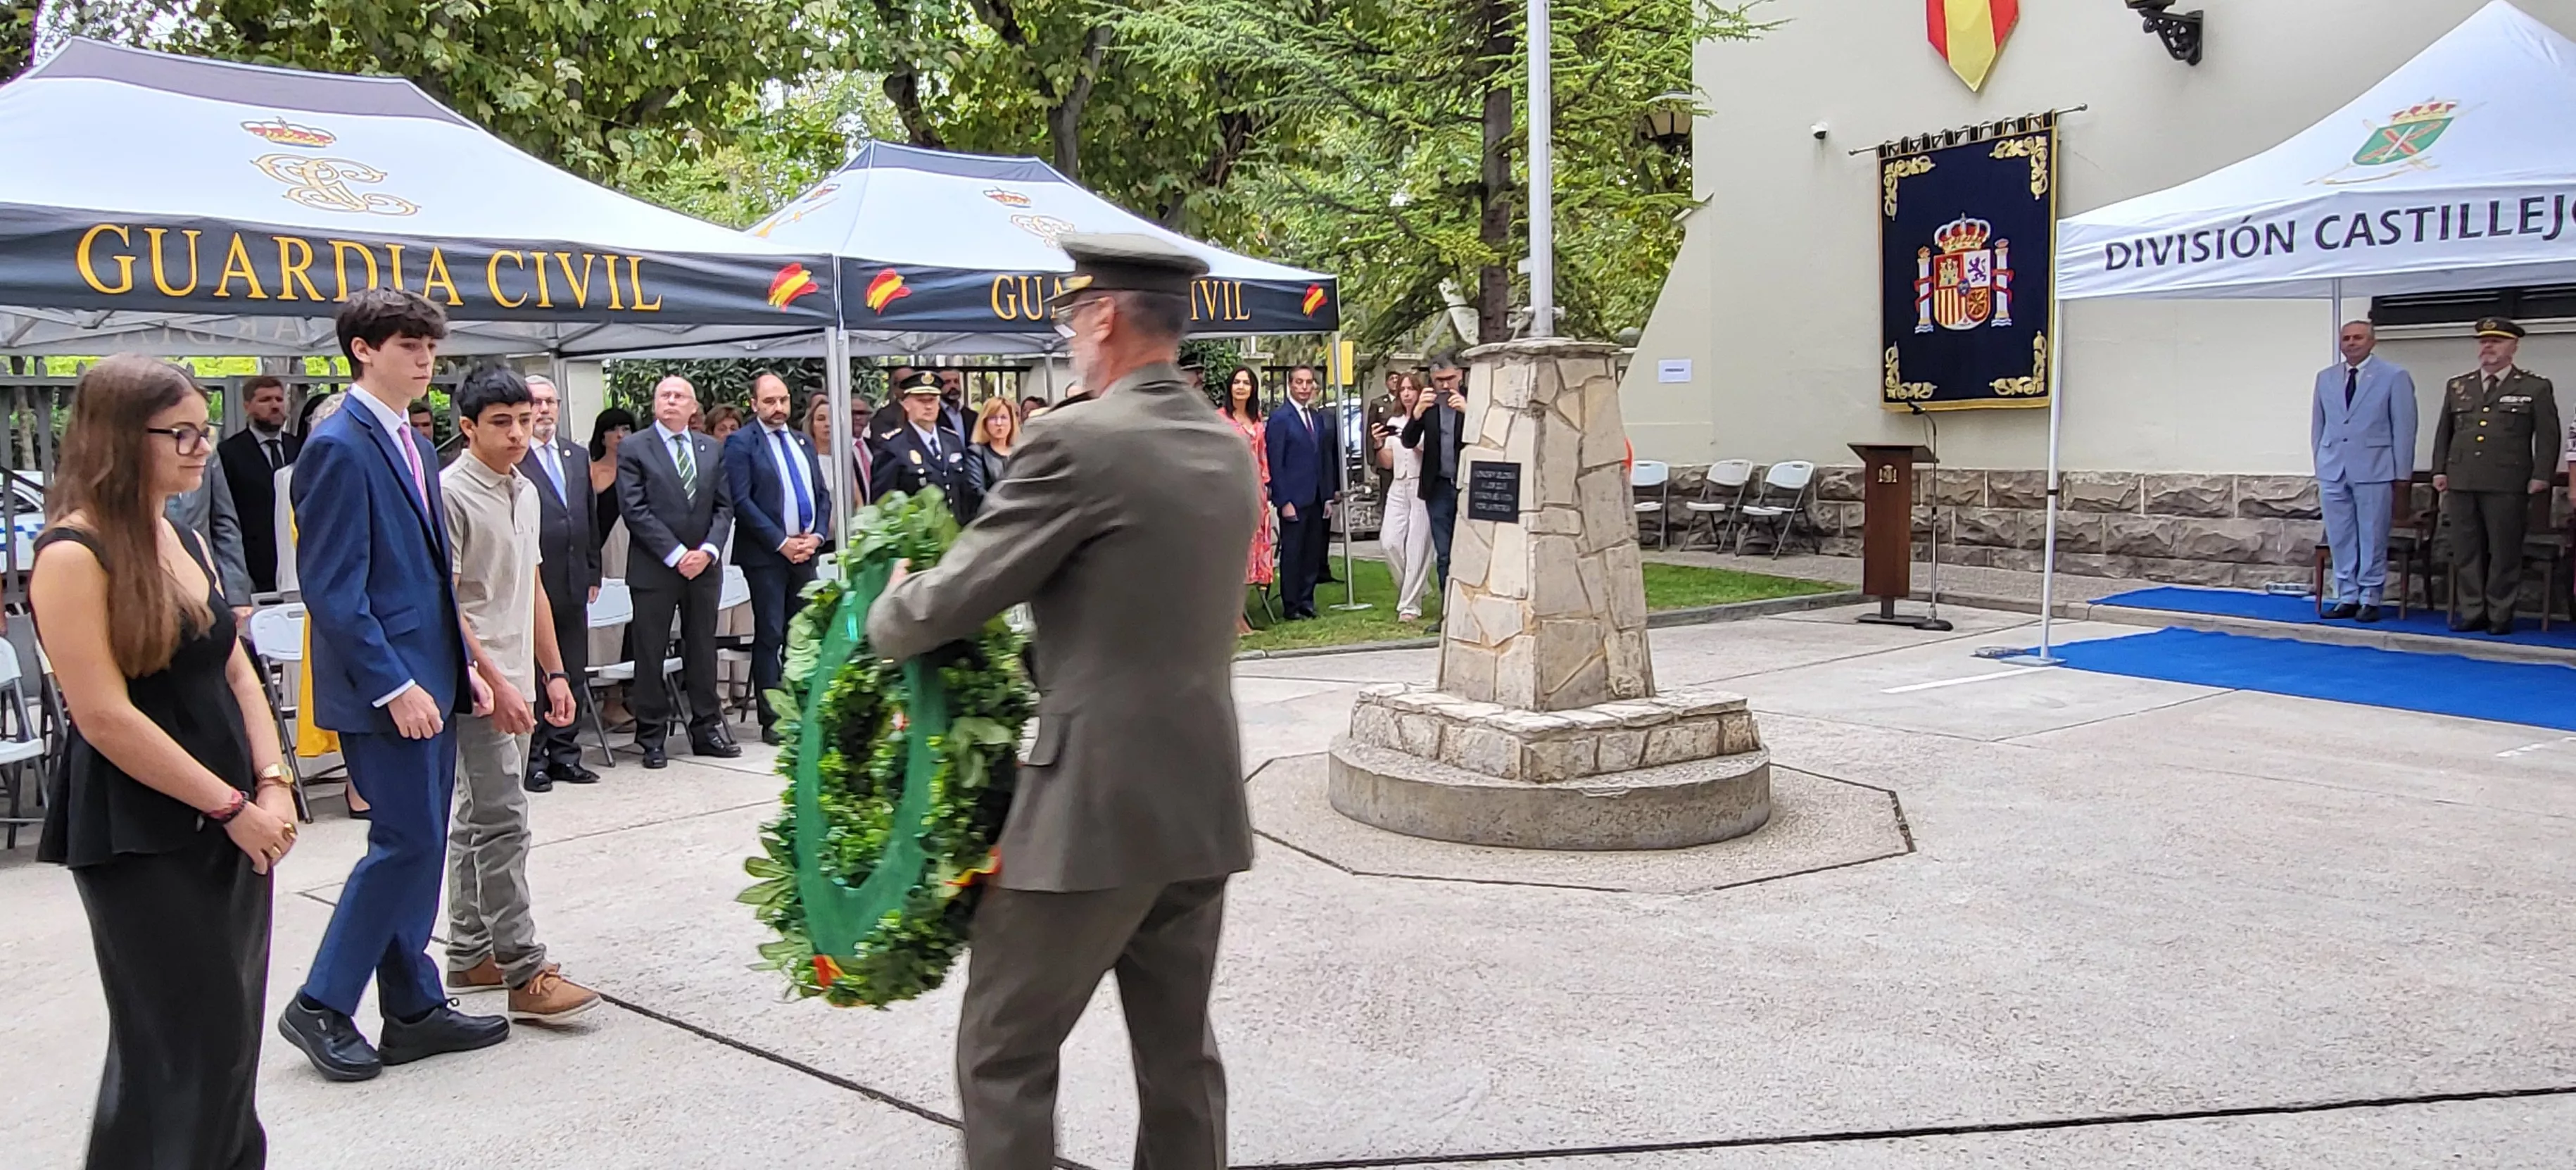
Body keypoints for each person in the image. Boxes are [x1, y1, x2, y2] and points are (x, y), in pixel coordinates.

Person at [869, 232, 1257, 1170]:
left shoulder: (1078, 440)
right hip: (1198, 801)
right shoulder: (1224, 447)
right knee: (1179, 1057)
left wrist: (889, 607)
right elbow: (1132, 614)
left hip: (1093, 807)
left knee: (1003, 1048)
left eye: (1073, 322)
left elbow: (952, 599)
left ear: (1106, 317)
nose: (1071, 343)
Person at [32, 356, 296, 1169]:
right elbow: (105, 718)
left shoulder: (179, 534)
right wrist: (230, 807)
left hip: (234, 820)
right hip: (145, 832)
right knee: (178, 1050)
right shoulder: (73, 554)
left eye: (202, 431)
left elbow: (236, 670)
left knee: (229, 1047)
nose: (200, 449)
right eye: (179, 433)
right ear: (118, 437)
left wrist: (275, 781)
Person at [282, 288, 508, 1083]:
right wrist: (393, 686)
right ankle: (320, 1002)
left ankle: (412, 1007)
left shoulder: (408, 439)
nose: (425, 359)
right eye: (409, 345)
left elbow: (430, 580)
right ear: (363, 351)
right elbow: (335, 589)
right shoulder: (339, 444)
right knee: (403, 843)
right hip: (387, 688)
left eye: (430, 346)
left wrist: (461, 671)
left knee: (422, 843)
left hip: (430, 676)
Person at [438, 366, 599, 1021]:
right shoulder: (450, 493)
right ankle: (522, 970)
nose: (516, 434)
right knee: (504, 820)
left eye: (524, 420)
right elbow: (447, 602)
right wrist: (495, 682)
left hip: (519, 675)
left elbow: (530, 588)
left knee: (477, 818)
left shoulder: (525, 490)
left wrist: (555, 673)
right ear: (468, 427)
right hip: (479, 683)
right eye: (500, 422)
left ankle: (471, 950)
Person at [617, 375, 738, 767]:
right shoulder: (635, 447)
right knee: (650, 652)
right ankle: (652, 734)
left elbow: (724, 507)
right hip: (656, 568)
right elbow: (634, 509)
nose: (671, 401)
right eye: (664, 396)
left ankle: (706, 728)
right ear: (655, 405)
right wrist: (675, 554)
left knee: (702, 648)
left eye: (679, 396)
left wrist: (706, 551)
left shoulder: (711, 449)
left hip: (704, 567)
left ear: (693, 407)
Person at [2432, 317, 2561, 635]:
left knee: (2504, 550)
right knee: (2466, 550)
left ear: (2514, 346)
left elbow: (2548, 435)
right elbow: (2444, 432)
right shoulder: (2459, 385)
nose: (2488, 347)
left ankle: (2500, 613)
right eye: (2484, 341)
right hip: (2462, 480)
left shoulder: (2534, 387)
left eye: (2497, 341)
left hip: (2507, 482)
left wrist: (2541, 474)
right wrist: (2439, 470)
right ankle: (2473, 610)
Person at [724, 370, 831, 748]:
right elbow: (742, 501)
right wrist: (780, 542)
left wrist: (816, 536)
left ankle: (804, 708)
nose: (778, 407)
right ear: (754, 404)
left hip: (805, 552)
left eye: (783, 400)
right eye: (769, 401)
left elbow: (822, 495)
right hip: (766, 556)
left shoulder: (802, 442)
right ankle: (773, 718)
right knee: (770, 633)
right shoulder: (741, 443)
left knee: (804, 634)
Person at [520, 374, 602, 791]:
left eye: (551, 402)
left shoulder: (574, 454)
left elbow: (587, 515)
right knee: (538, 673)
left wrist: (593, 570)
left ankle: (566, 754)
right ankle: (533, 759)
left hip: (573, 582)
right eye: (537, 402)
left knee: (572, 670)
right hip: (535, 581)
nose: (545, 410)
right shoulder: (516, 456)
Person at [2311, 321, 2418, 624]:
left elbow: (2404, 427)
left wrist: (2402, 473)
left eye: (2358, 338)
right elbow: (2319, 424)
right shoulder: (2326, 378)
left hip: (2374, 466)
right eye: (2346, 339)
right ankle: (2346, 594)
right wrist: (2320, 461)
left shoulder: (2394, 376)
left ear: (2372, 341)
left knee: (2372, 534)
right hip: (2334, 467)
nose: (2351, 343)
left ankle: (2370, 596)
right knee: (2340, 535)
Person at [217, 373, 300, 594]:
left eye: (279, 400)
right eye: (265, 400)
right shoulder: (229, 453)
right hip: (253, 563)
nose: (275, 406)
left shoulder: (300, 448)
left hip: (296, 559)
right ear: (247, 406)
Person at [1263, 364, 1335, 620]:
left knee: (1312, 551)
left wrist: (1328, 495)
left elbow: (1324, 459)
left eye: (1309, 383)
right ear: (1290, 385)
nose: (1304, 388)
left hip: (1316, 496)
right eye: (1299, 383)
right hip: (1294, 498)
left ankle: (1307, 601)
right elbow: (1275, 461)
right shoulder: (1281, 418)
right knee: (1293, 553)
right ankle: (1291, 605)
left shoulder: (1316, 417)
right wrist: (1283, 500)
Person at [871, 370, 984, 523]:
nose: (928, 406)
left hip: (956, 535)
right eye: (921, 401)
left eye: (932, 400)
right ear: (906, 404)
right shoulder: (893, 446)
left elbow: (963, 492)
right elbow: (883, 503)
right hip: (918, 538)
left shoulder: (952, 440)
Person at [1402, 356, 1471, 595]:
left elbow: (1491, 434)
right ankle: (1447, 612)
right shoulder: (1429, 404)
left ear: (1460, 374)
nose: (1445, 385)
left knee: (1471, 549)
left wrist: (1469, 412)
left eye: (1450, 379)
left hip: (1469, 486)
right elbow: (1408, 440)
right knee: (1444, 553)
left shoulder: (1475, 398)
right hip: (1438, 487)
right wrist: (1418, 413)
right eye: (1439, 380)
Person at [165, 453, 254, 624]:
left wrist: (236, 595)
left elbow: (224, 524)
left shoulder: (207, 456)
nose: (203, 445)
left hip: (204, 579)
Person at [1218, 367, 1275, 632]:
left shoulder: (1257, 419)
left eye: (1246, 383)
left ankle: (1243, 612)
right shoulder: (1220, 420)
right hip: (1231, 491)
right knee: (1235, 554)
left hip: (1256, 492)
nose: (1241, 387)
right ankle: (1234, 617)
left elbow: (1263, 458)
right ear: (1230, 387)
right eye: (1237, 382)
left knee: (1253, 553)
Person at [1379, 375, 1435, 621]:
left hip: (1421, 484)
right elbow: (1387, 461)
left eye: (1412, 388)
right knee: (1389, 542)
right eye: (1402, 389)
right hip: (1399, 484)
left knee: (1417, 545)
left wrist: (1411, 432)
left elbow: (1423, 449)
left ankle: (1410, 606)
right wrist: (1379, 442)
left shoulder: (1428, 418)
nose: (1407, 393)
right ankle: (1417, 586)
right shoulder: (1394, 420)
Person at [586, 407, 636, 550]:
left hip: (630, 547)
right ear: (602, 437)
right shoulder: (586, 470)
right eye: (613, 429)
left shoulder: (641, 472)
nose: (620, 435)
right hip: (594, 547)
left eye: (626, 429)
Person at [971, 396, 1020, 489]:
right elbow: (977, 490)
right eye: (993, 418)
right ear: (985, 422)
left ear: (1012, 422)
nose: (999, 423)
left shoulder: (1020, 452)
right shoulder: (976, 453)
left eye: (1004, 417)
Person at [938, 367, 971, 436]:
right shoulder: (933, 415)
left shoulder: (972, 416)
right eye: (947, 382)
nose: (953, 386)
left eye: (956, 381)